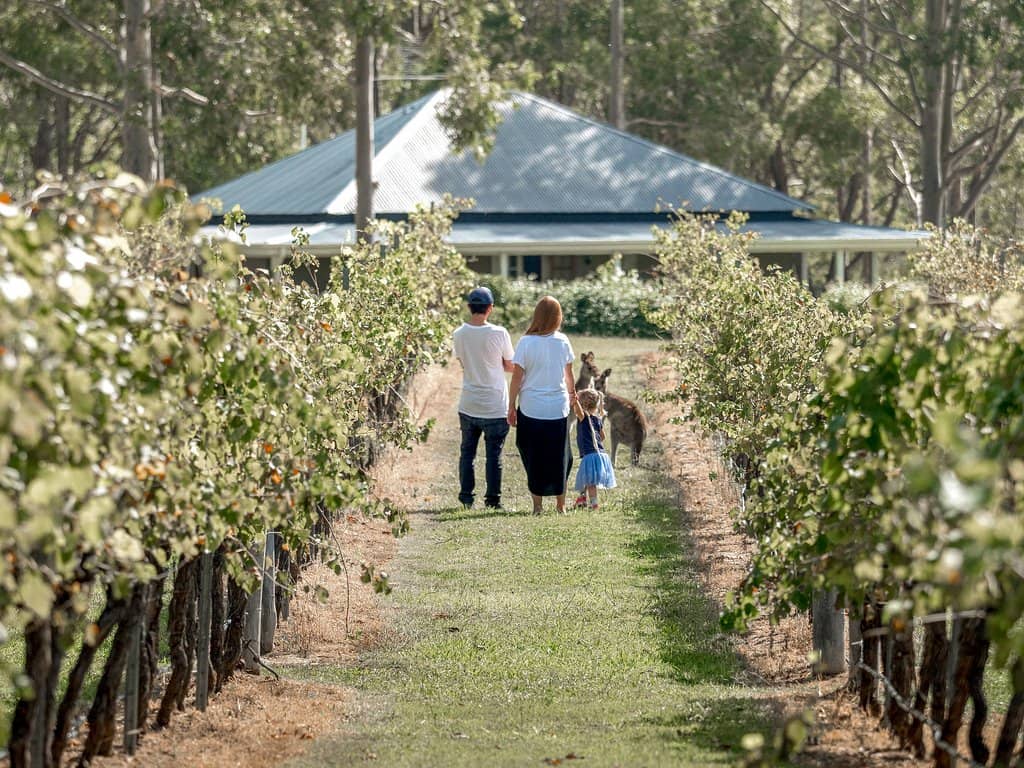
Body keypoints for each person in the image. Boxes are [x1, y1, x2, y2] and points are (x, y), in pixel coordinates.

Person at [507, 296, 576, 514]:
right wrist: (573, 396)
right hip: (558, 407)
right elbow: (569, 375)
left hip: (531, 407)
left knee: (533, 455)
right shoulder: (563, 341)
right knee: (560, 457)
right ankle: (561, 506)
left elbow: (517, 378)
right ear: (558, 317)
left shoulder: (526, 342)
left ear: (536, 315)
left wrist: (511, 406)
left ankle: (537, 507)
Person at [452, 286, 515, 509]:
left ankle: (466, 497)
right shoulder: (499, 333)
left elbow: (462, 362)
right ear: (490, 308)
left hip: (468, 402)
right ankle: (493, 500)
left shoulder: (458, 334)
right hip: (495, 404)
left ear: (469, 307)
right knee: (493, 455)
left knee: (467, 453)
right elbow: (510, 366)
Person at [571, 388, 617, 509]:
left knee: (590, 482)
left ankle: (594, 504)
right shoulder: (597, 419)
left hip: (591, 455)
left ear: (582, 404)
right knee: (586, 477)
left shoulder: (582, 417)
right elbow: (602, 437)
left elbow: (577, 410)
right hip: (601, 454)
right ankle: (581, 499)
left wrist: (574, 400)